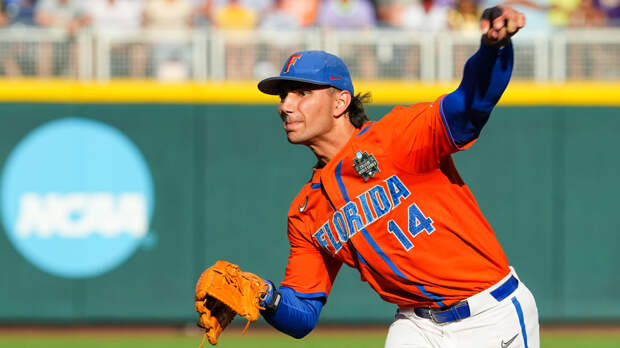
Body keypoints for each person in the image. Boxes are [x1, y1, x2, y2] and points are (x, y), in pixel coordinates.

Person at [252, 5, 539, 348]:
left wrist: (493, 50)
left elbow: (469, 105)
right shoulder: (306, 212)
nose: (286, 105)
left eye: (302, 92)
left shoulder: (396, 138)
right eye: (284, 95)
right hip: (416, 326)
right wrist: (264, 296)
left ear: (340, 101)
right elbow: (302, 313)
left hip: (489, 314)